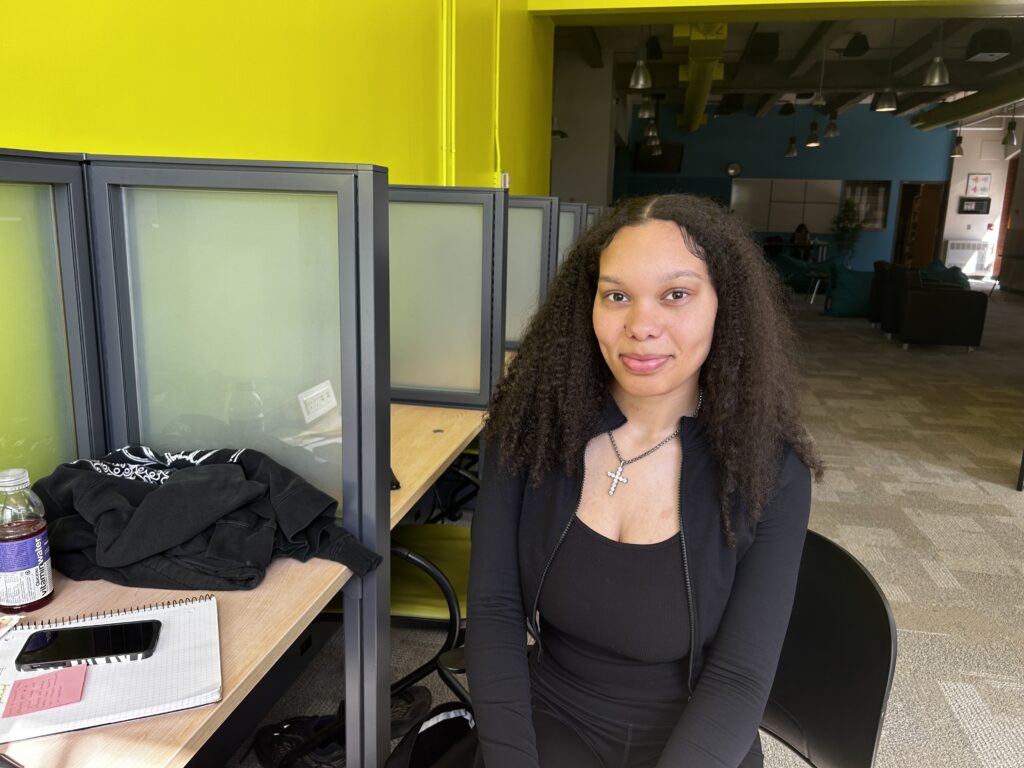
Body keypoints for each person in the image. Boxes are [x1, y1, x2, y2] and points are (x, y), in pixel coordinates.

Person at [466, 194, 823, 768]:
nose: (640, 326)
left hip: (696, 737)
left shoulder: (769, 472)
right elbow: (493, 612)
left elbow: (738, 678)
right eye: (617, 296)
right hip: (550, 719)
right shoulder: (531, 432)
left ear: (721, 306)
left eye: (675, 294)